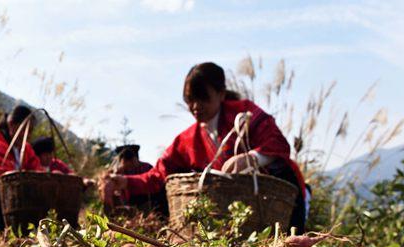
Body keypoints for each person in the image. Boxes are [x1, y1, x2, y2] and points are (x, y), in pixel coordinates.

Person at [99, 62, 309, 231]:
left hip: (269, 201)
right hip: (228, 212)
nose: (195, 107)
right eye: (190, 100)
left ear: (221, 94)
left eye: (203, 99)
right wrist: (124, 181)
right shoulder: (188, 140)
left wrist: (251, 158)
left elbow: (279, 144)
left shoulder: (244, 114)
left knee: (282, 176)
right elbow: (158, 175)